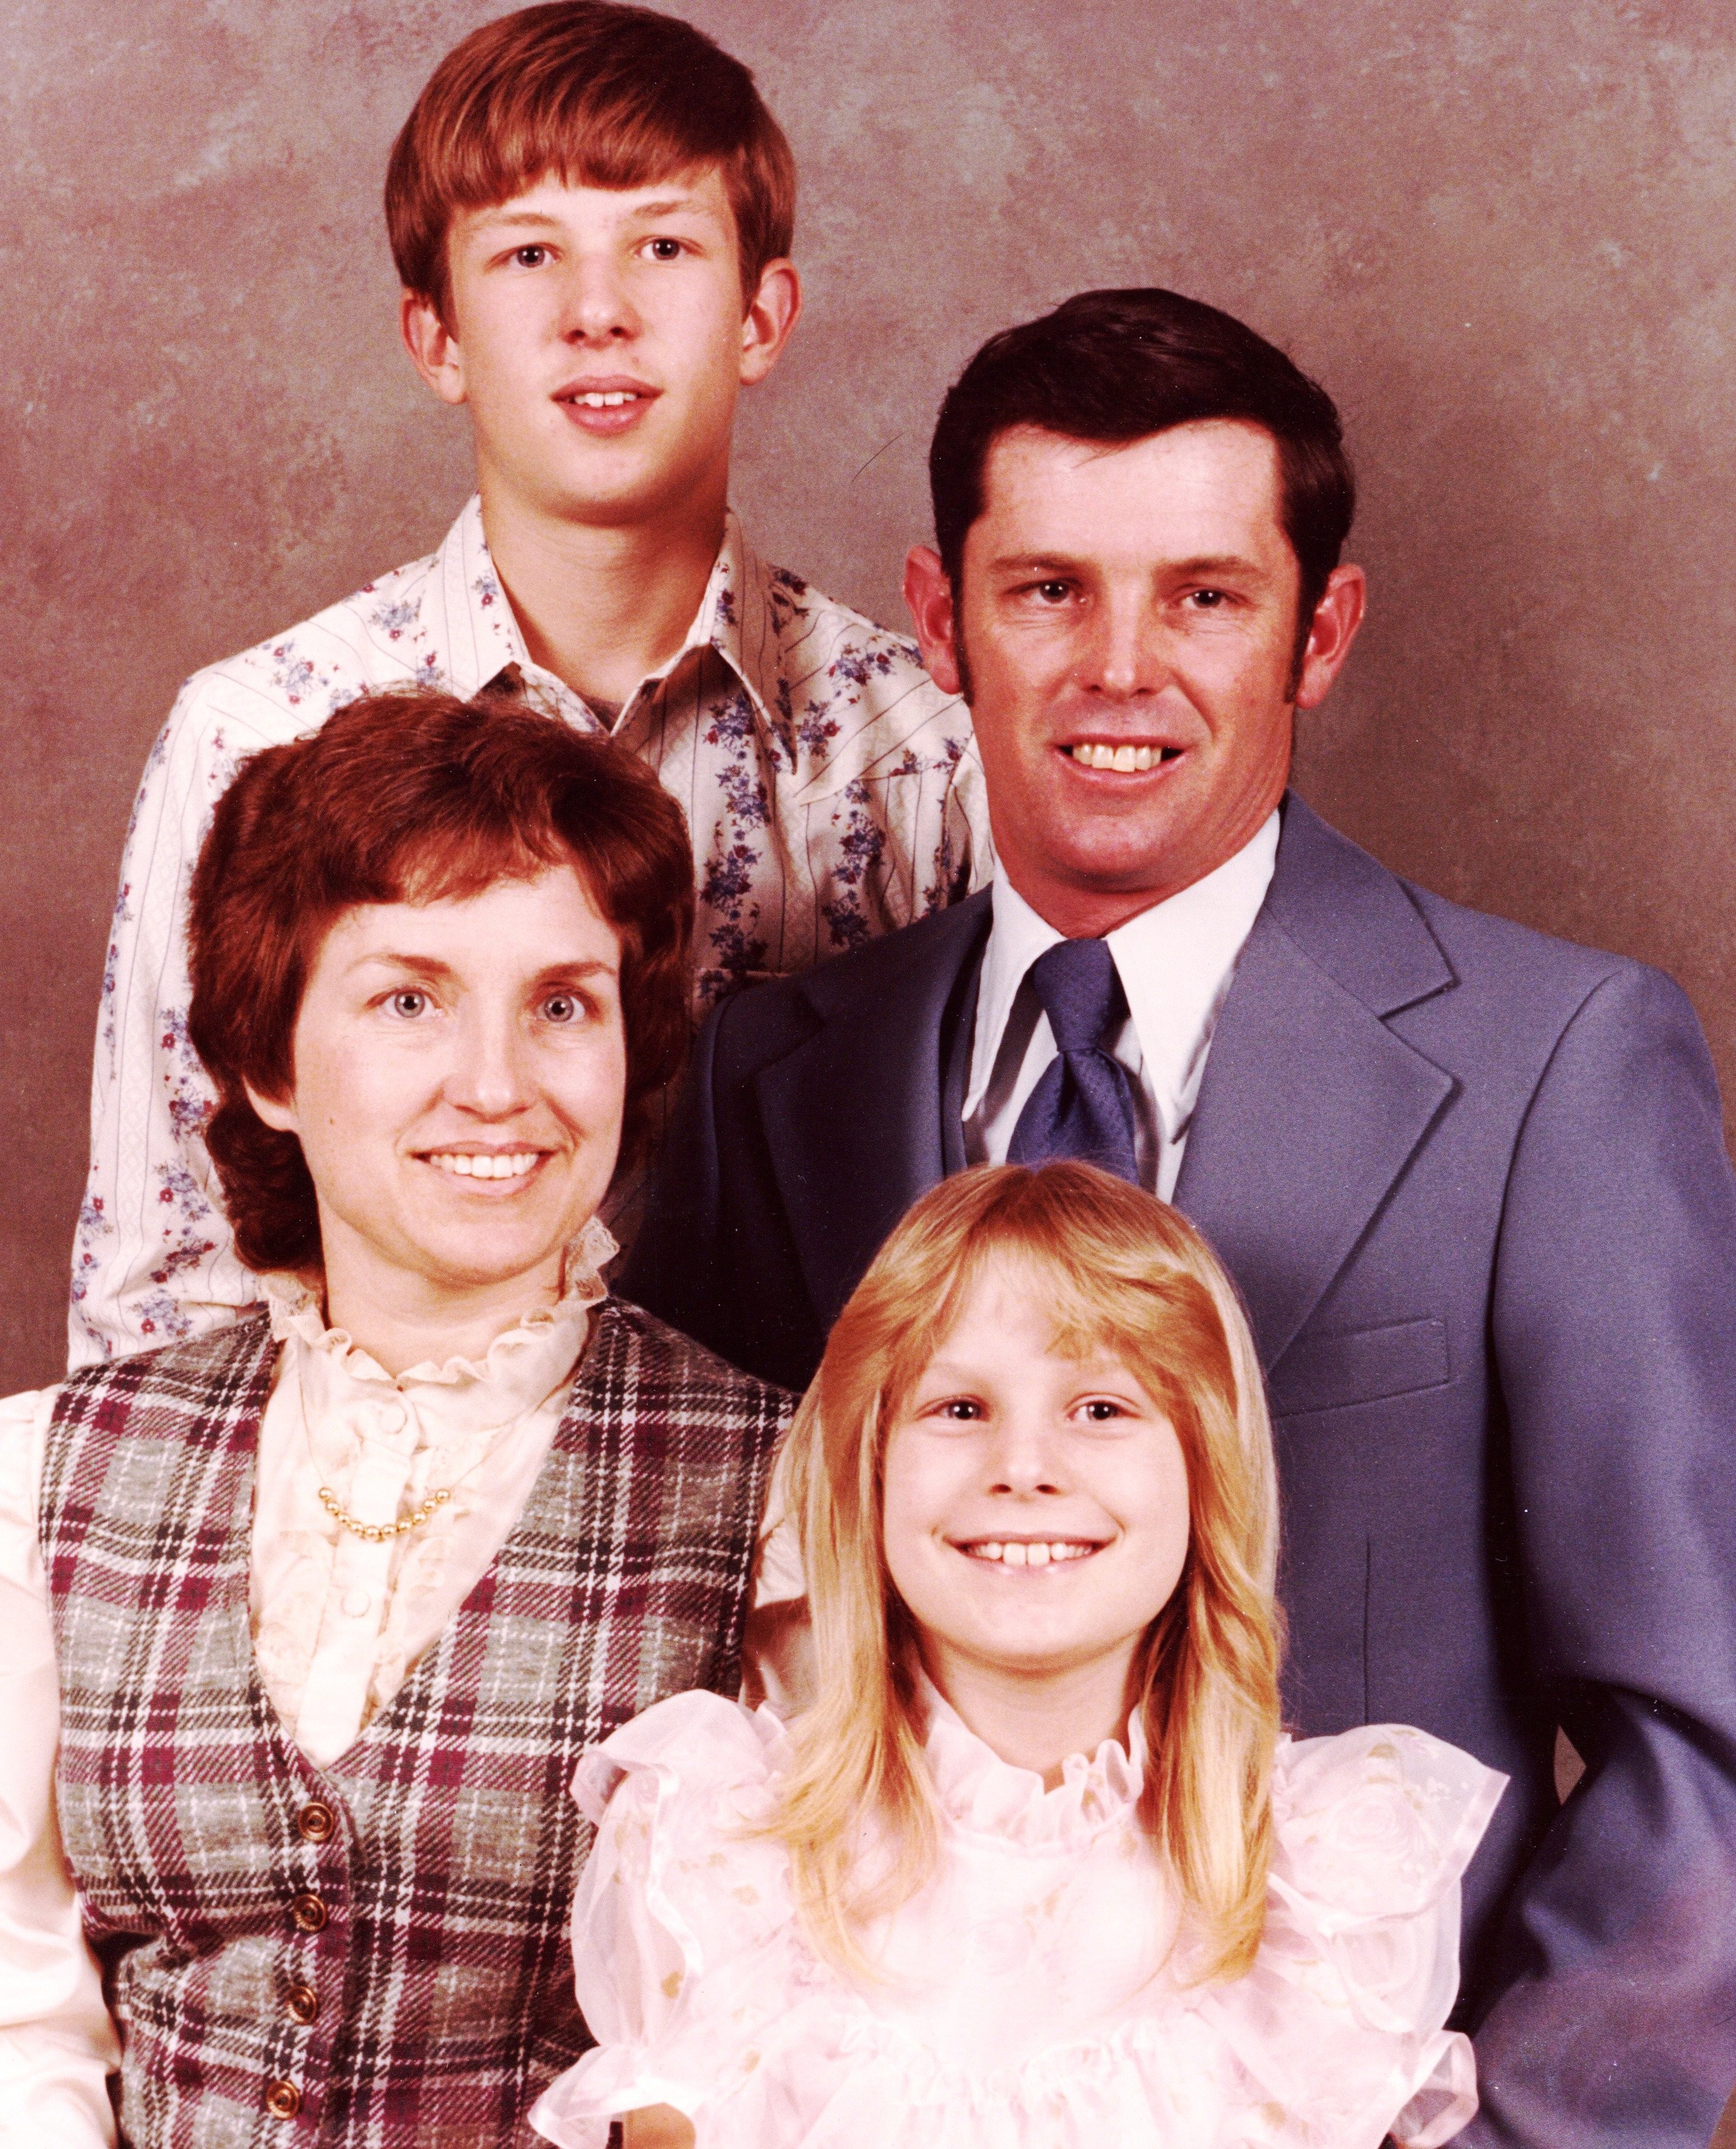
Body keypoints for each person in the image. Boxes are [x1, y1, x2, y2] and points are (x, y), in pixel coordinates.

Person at [622, 288, 1736, 2145]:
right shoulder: (779, 1074)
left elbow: (1700, 1732)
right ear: (938, 619)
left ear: (1320, 630)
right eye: (1047, 589)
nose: (1117, 668)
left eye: (1204, 595)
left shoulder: (1557, 1065)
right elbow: (682, 1637)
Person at [73, 0, 988, 1370]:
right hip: (362, 1488)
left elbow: (993, 1258)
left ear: (761, 315)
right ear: (437, 336)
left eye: (663, 246)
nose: (597, 313)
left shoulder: (919, 747)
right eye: (528, 254)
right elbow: (163, 1298)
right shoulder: (258, 728)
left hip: (803, 1481)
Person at [0, 690, 790, 2141]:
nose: (496, 1085)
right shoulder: (43, 1471)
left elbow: (769, 2044)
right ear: (270, 1064)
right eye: (410, 1000)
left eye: (563, 1004)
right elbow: (16, 2009)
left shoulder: (782, 1490)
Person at [532, 1163, 1505, 2149]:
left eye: (1101, 1409)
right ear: (871, 1469)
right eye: (960, 1408)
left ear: (1205, 1470)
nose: (1025, 1467)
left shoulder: (1322, 1884)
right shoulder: (721, 1849)